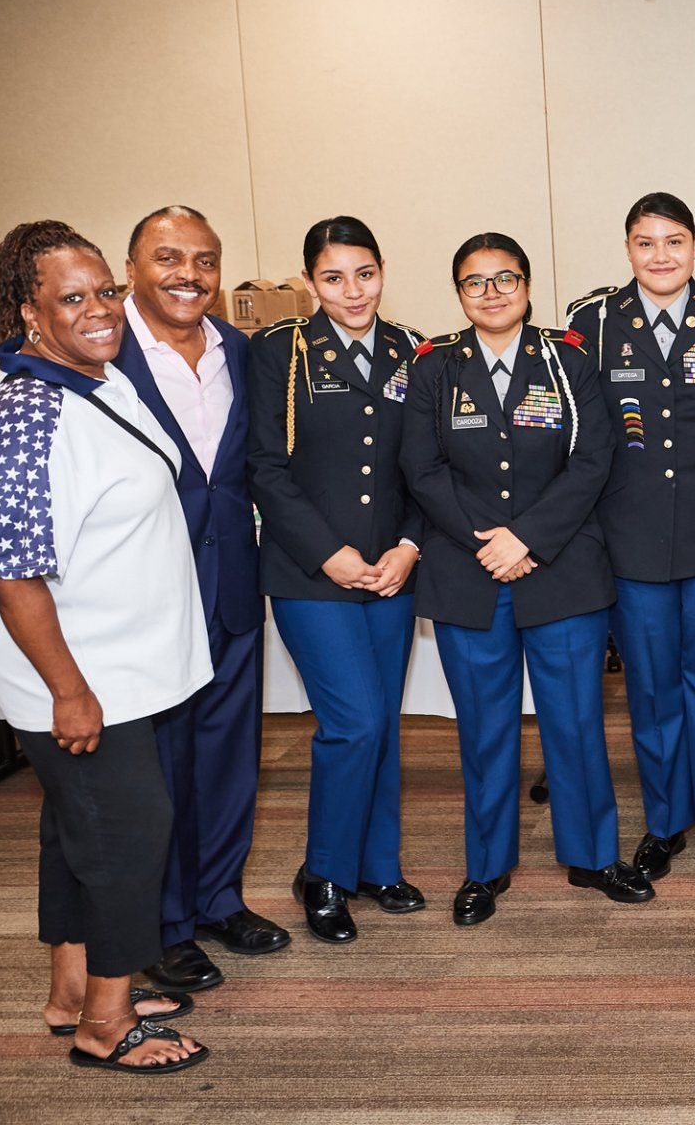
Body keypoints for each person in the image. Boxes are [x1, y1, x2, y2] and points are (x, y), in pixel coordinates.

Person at [0, 220, 208, 1072]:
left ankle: (71, 991)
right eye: (73, 297)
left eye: (105, 290)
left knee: (79, 827)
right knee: (128, 834)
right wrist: (68, 691)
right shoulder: (28, 414)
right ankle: (107, 1022)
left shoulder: (95, 378)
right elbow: (15, 576)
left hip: (118, 659)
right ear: (30, 314)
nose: (100, 308)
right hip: (77, 668)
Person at [402, 232, 643, 925]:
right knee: (484, 730)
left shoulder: (568, 358)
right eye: (474, 282)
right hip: (469, 571)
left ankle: (594, 855)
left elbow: (593, 459)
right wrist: (489, 542)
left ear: (528, 286)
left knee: (577, 723)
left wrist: (527, 538)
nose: (491, 293)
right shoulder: (435, 367)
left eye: (505, 278)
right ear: (459, 293)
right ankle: (486, 868)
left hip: (560, 569)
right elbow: (421, 469)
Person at [117, 206, 286, 989]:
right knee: (159, 767)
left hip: (231, 590)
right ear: (131, 268)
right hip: (144, 597)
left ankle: (219, 899)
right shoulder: (100, 350)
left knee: (227, 758)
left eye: (205, 260)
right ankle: (162, 923)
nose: (189, 274)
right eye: (169, 258)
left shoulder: (241, 351)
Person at [567, 193, 695, 889]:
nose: (661, 255)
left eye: (674, 241)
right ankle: (666, 821)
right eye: (645, 243)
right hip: (632, 540)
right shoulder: (592, 322)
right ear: (628, 250)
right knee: (651, 690)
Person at [246, 216, 427, 943]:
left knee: (381, 721)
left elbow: (427, 464)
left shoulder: (412, 349)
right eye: (333, 277)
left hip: (391, 571)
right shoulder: (279, 351)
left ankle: (376, 865)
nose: (352, 292)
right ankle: (323, 873)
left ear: (382, 272)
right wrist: (328, 553)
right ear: (309, 282)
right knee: (353, 722)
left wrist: (410, 545)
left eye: (365, 274)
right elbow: (265, 467)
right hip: (309, 573)